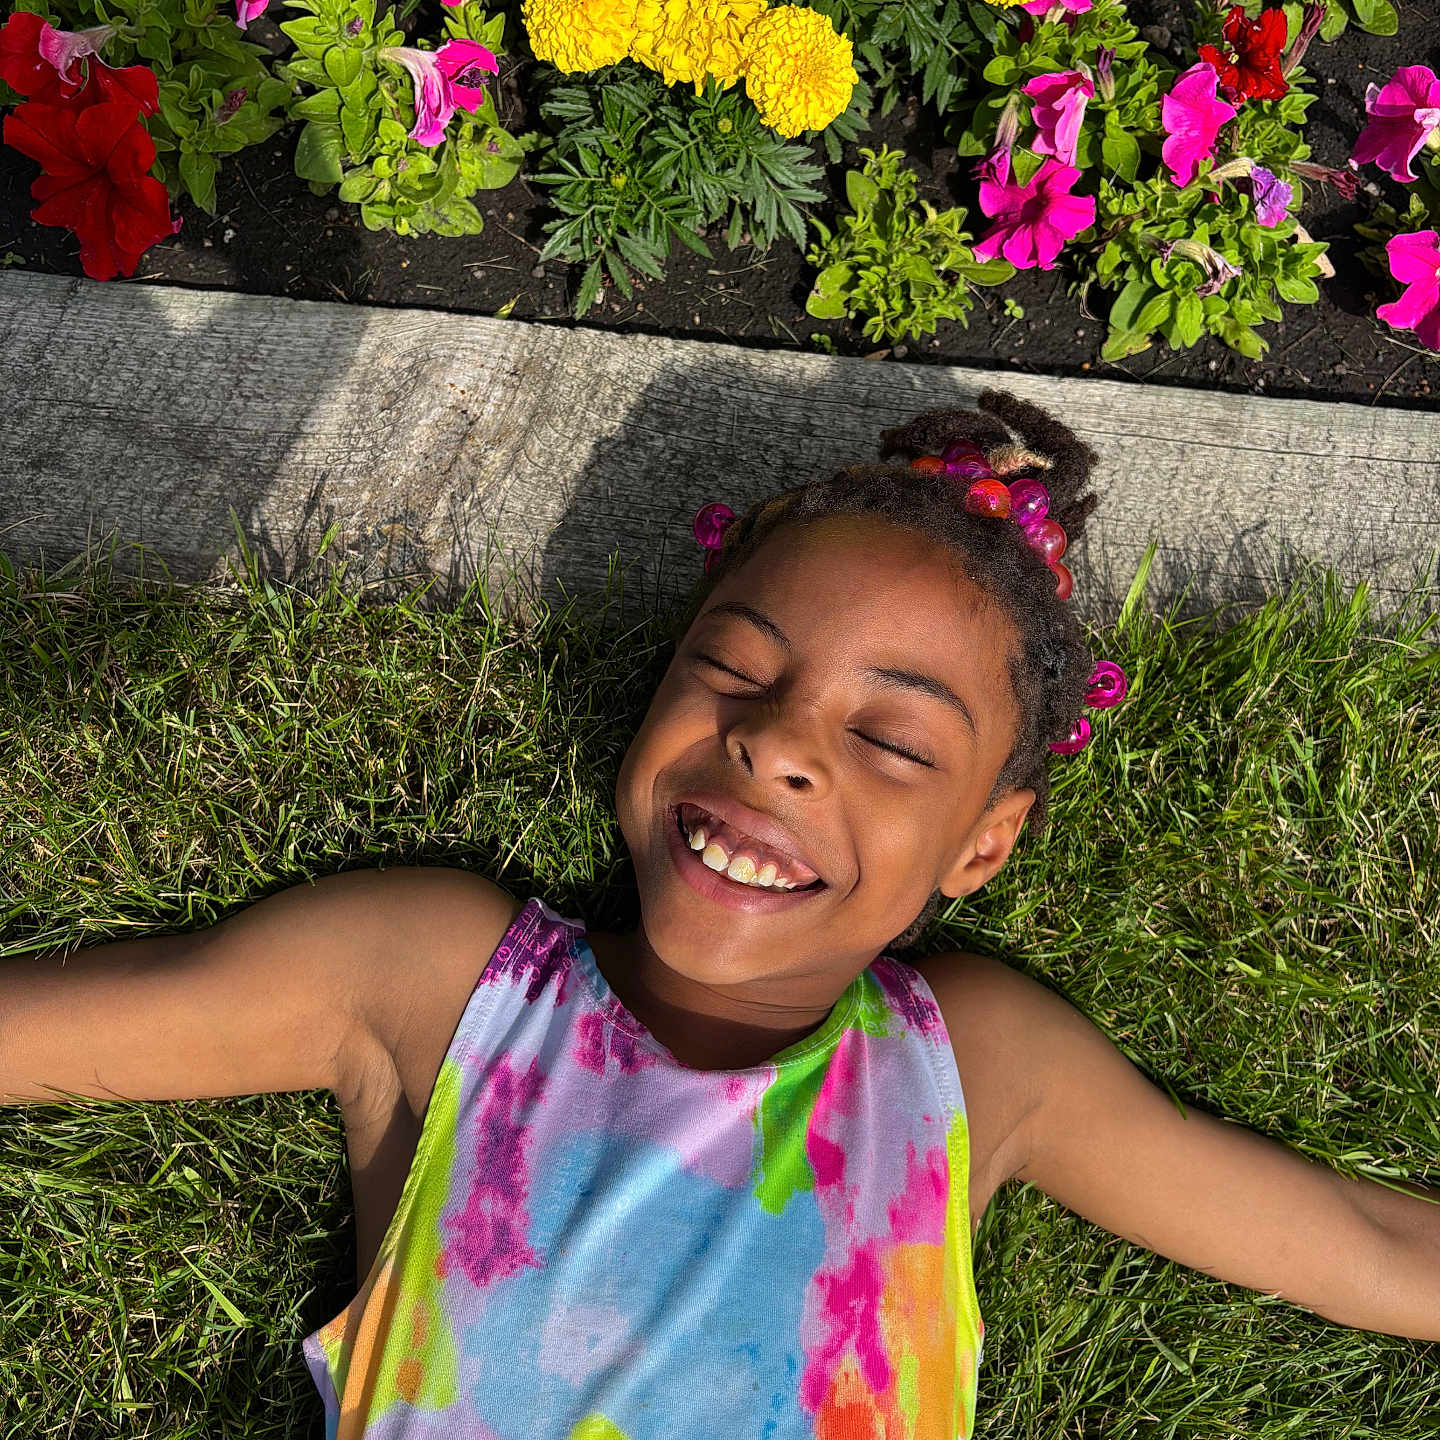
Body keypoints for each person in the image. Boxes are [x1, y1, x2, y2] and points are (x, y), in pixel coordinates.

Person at [2, 391, 1436, 1440]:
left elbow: (1367, 1247)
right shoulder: (434, 984)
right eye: (736, 671)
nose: (778, 745)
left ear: (984, 845)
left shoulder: (975, 1066)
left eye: (894, 741)